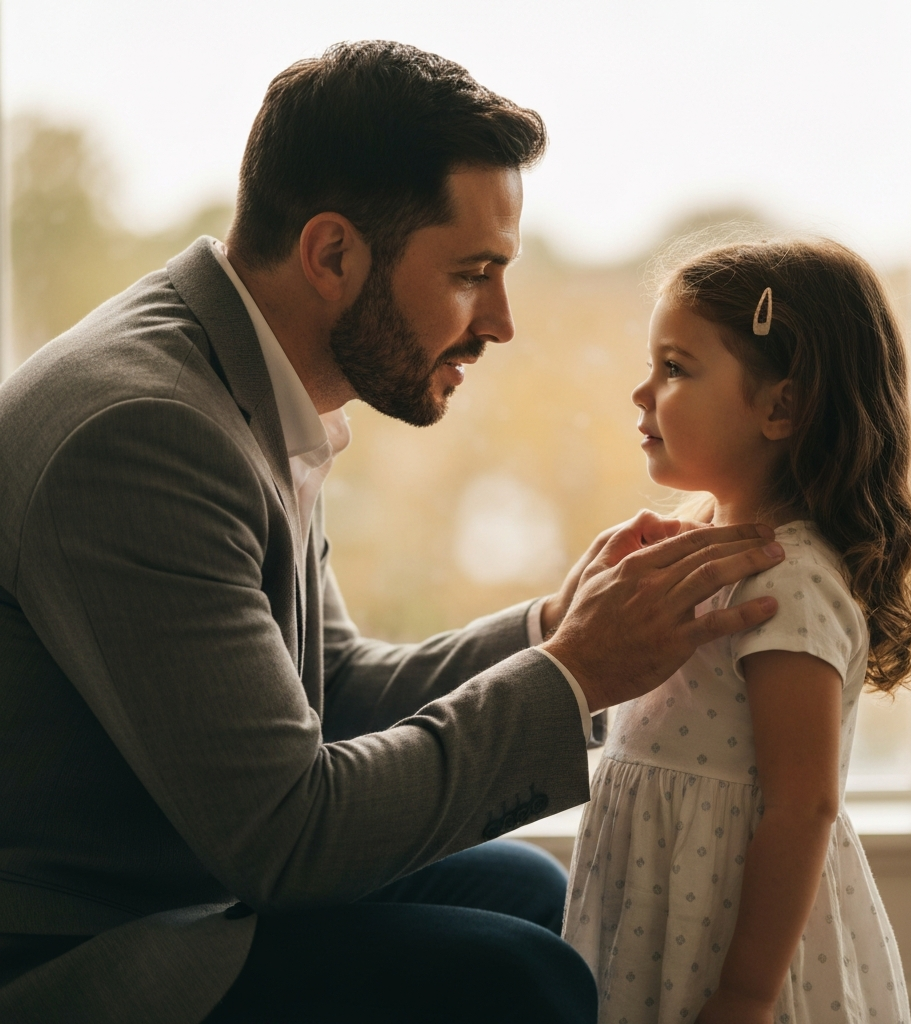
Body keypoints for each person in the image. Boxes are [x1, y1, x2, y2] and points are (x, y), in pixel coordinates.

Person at [0, 42, 787, 1023]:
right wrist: (579, 671)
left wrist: (556, 626)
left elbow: (330, 693)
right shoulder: (145, 434)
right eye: (473, 273)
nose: (501, 322)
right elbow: (287, 836)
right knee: (517, 975)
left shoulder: (236, 379)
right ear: (333, 254)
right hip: (76, 946)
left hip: (188, 879)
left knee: (531, 893)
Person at [560, 239, 911, 1024]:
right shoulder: (696, 555)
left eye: (674, 368)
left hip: (730, 942)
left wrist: (747, 993)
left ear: (780, 407)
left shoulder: (785, 583)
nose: (640, 391)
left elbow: (803, 806)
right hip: (658, 915)